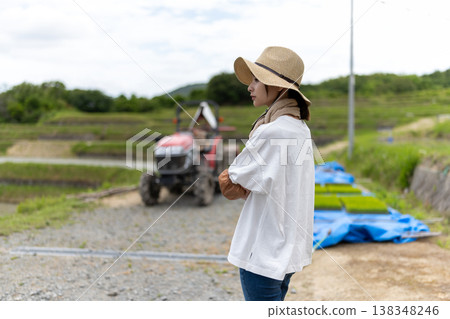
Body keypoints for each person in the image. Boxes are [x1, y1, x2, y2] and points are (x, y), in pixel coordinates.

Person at [218, 46, 315, 301]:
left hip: (261, 254)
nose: (250, 86)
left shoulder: (271, 132)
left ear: (279, 88)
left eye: (257, 79)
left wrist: (235, 175)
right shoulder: (300, 129)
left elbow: (230, 182)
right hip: (286, 254)